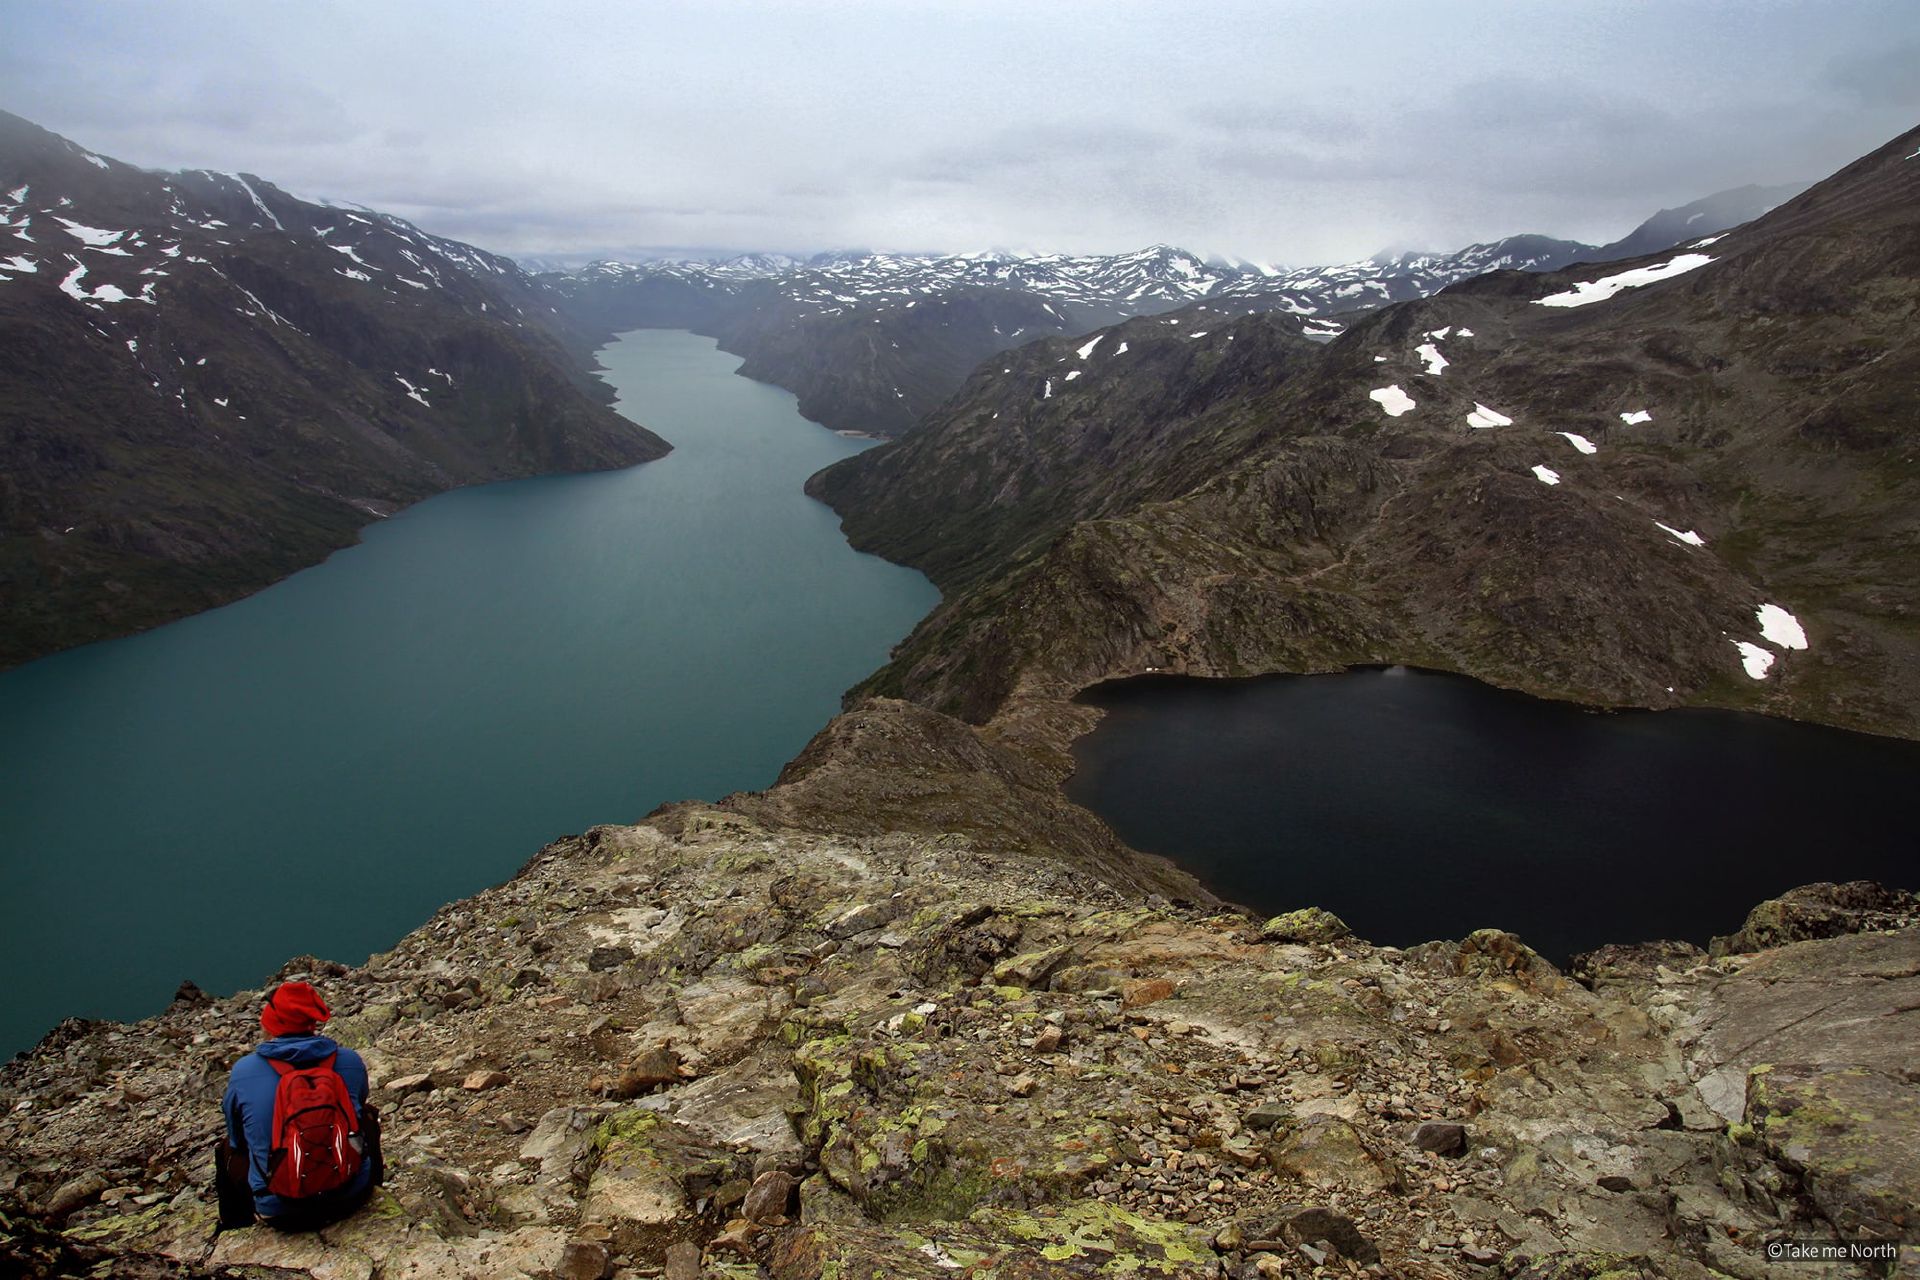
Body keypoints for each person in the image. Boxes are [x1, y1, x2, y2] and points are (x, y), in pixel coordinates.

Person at [216, 981, 381, 1230]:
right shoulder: (348, 1061)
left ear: (271, 1021)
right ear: (312, 1022)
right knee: (367, 1116)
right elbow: (355, 1112)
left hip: (283, 1213)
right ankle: (372, 1183)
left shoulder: (244, 1071)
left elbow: (239, 1140)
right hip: (350, 1197)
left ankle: (235, 1227)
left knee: (227, 1149)